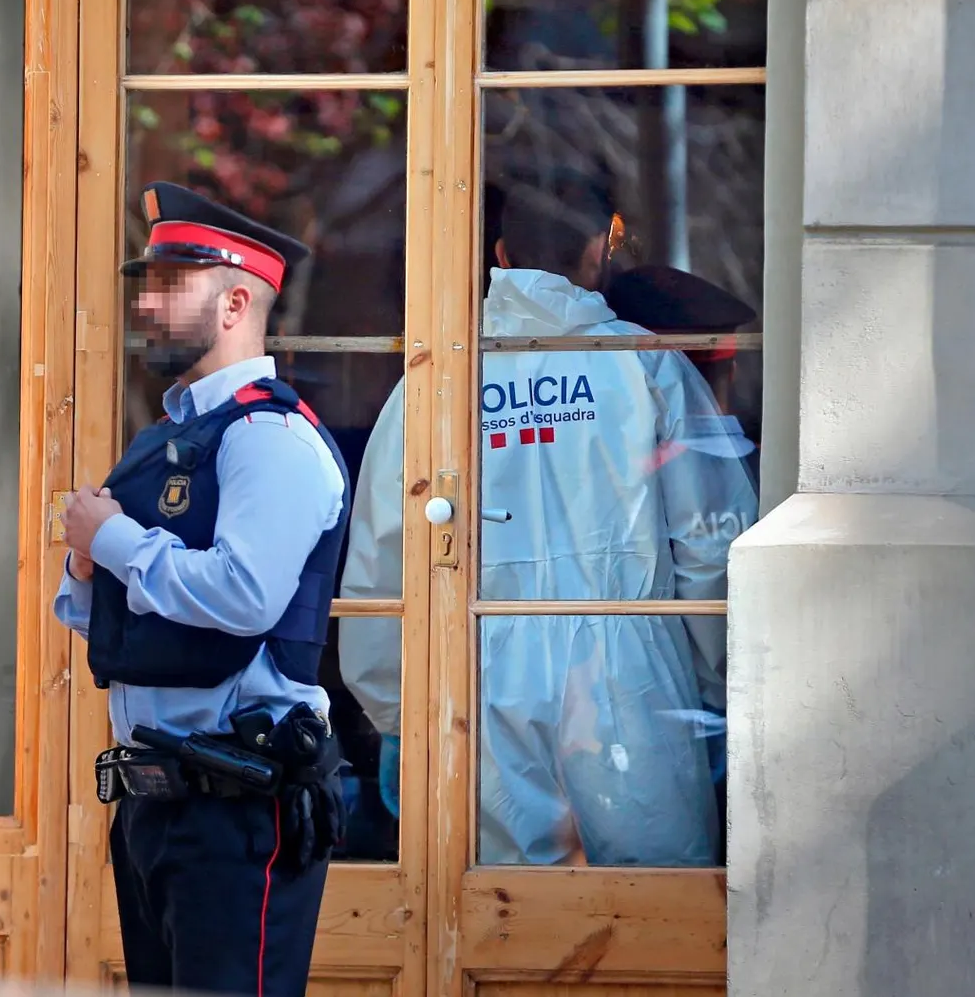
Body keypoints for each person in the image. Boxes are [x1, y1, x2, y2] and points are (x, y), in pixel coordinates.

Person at [337, 178, 759, 867]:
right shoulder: (643, 362)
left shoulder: (436, 377)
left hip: (474, 669)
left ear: (500, 254)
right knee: (646, 913)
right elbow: (710, 538)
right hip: (630, 674)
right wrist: (716, 688)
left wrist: (397, 715)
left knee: (495, 917)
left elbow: (385, 561)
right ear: (601, 250)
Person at [56, 181, 349, 995]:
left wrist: (110, 540)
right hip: (158, 802)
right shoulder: (167, 438)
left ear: (235, 302)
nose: (146, 303)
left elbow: (243, 595)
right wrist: (90, 563)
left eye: (169, 283)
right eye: (146, 283)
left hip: (237, 805)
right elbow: (102, 616)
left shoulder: (270, 435)